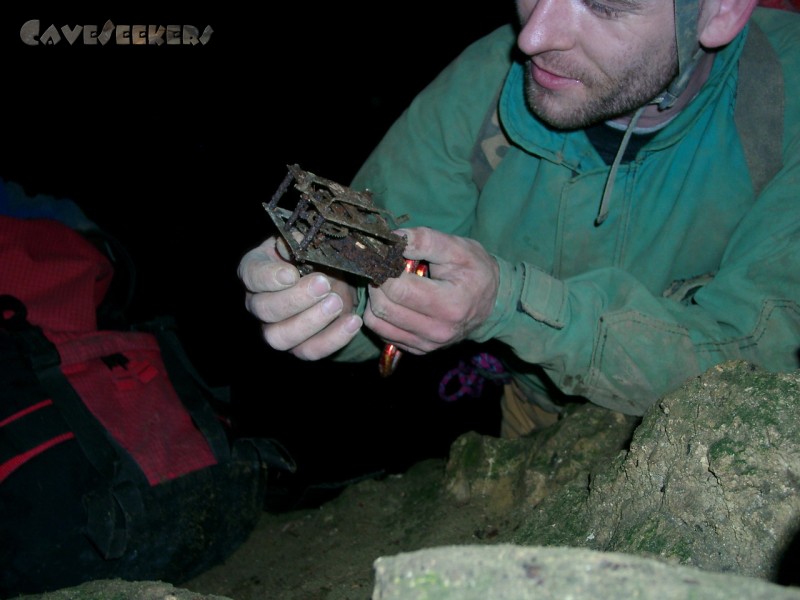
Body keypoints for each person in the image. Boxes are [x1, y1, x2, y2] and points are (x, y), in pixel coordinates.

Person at [239, 0, 800, 438]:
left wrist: (508, 303)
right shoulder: (484, 81)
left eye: (603, 4)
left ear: (720, 10)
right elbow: (381, 247)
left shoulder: (786, 95)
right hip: (534, 415)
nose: (533, 37)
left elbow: (763, 364)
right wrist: (330, 288)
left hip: (717, 443)